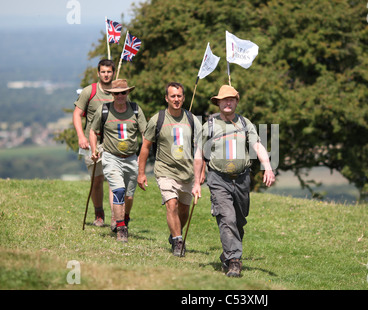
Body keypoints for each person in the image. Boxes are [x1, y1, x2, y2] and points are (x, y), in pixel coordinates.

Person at [191, 85, 275, 277]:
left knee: (238, 221)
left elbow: (257, 145)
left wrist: (267, 166)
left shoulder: (245, 123)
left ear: (236, 102)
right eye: (224, 99)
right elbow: (198, 155)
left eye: (231, 99)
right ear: (218, 102)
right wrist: (197, 182)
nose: (228, 102)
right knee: (226, 218)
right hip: (218, 178)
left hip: (243, 178)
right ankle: (234, 261)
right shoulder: (209, 126)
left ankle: (227, 253)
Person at [137, 82, 203, 256]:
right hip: (165, 170)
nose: (176, 99)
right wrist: (141, 173)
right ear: (166, 98)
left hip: (187, 173)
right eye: (172, 96)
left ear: (183, 98)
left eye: (179, 96)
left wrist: (201, 173)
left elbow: (200, 148)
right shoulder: (157, 119)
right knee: (171, 204)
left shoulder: (192, 120)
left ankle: (175, 233)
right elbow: (145, 146)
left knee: (183, 210)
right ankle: (177, 241)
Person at [89, 79, 147, 242]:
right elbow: (93, 131)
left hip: (131, 158)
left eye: (123, 92)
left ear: (128, 92)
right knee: (119, 190)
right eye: (116, 93)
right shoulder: (104, 110)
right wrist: (94, 150)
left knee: (129, 196)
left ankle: (125, 218)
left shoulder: (135, 109)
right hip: (111, 157)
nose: (120, 96)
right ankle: (121, 228)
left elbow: (146, 134)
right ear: (112, 94)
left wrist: (143, 155)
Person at [73, 59, 116, 229]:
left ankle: (116, 217)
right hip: (91, 141)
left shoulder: (118, 92)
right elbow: (77, 114)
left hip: (113, 143)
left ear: (113, 73)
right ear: (98, 73)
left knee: (114, 180)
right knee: (96, 181)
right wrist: (80, 137)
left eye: (109, 72)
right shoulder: (88, 91)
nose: (106, 74)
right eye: (103, 72)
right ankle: (99, 213)